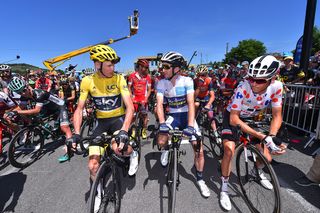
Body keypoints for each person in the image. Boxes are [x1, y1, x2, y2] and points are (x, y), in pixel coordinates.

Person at [219, 55, 287, 211]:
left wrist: (271, 136)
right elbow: (234, 119)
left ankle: (257, 171)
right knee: (229, 150)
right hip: (232, 116)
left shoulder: (277, 87)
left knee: (267, 158)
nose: (254, 83)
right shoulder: (244, 86)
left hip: (251, 118)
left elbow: (277, 115)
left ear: (273, 77)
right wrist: (262, 136)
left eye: (260, 80)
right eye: (251, 78)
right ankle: (224, 188)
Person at [71, 45, 137, 188]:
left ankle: (133, 154)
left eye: (113, 65)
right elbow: (79, 108)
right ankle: (98, 193)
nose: (112, 68)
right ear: (97, 64)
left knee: (119, 149)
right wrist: (76, 133)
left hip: (117, 120)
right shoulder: (87, 81)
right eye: (109, 65)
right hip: (101, 122)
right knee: (93, 165)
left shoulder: (119, 79)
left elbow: (130, 107)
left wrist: (124, 130)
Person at [156, 51, 211, 198]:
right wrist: (162, 123)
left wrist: (191, 126)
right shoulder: (161, 82)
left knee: (198, 149)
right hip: (173, 116)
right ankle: (166, 150)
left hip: (187, 116)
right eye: (162, 66)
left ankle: (200, 179)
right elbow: (159, 105)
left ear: (176, 69)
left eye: (166, 66)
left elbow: (191, 104)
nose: (162, 69)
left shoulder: (186, 81)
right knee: (161, 141)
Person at [7, 77, 74, 162]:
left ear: (27, 87)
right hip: (47, 108)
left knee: (64, 128)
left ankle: (69, 152)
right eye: (19, 92)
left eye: (23, 90)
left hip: (60, 106)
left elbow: (36, 110)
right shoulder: (23, 96)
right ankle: (47, 128)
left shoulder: (39, 93)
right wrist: (8, 113)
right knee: (34, 118)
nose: (23, 93)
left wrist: (18, 112)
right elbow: (20, 108)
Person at [128, 59, 151, 139]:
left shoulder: (148, 77)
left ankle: (144, 130)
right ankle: (133, 131)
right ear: (140, 67)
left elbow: (149, 90)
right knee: (133, 117)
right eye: (145, 67)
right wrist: (131, 98)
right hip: (134, 99)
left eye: (147, 67)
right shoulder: (132, 76)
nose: (146, 69)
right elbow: (129, 88)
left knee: (144, 116)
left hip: (143, 100)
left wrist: (146, 98)